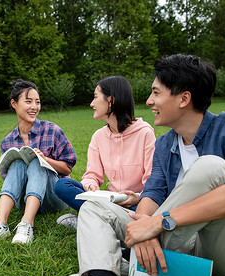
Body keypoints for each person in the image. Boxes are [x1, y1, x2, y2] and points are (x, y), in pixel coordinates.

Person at [55, 54, 225, 276]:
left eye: (156, 93)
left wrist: (157, 223)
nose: (149, 101)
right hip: (177, 243)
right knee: (94, 206)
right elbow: (153, 192)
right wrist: (143, 223)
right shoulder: (164, 144)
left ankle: (125, 262)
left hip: (220, 246)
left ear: (184, 98)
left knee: (211, 167)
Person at [0, 79, 77, 244]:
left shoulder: (52, 130)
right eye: (28, 101)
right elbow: (10, 178)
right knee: (17, 163)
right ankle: (0, 225)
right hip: (24, 200)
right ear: (14, 104)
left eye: (37, 102)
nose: (34, 107)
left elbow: (67, 168)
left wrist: (45, 159)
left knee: (36, 161)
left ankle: (26, 224)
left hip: (52, 198)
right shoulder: (8, 141)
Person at [54, 76, 155, 229]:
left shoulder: (145, 133)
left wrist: (137, 198)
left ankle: (92, 218)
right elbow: (92, 175)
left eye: (95, 97)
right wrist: (91, 186)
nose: (91, 104)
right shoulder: (98, 137)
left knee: (150, 209)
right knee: (62, 185)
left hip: (137, 203)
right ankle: (103, 218)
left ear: (111, 100)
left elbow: (152, 181)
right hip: (109, 200)